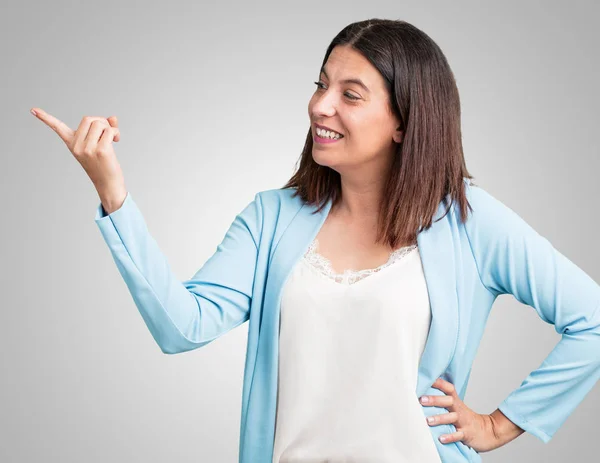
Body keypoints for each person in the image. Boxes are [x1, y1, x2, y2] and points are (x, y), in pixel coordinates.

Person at [31, 18, 600, 463]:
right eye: (322, 85)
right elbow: (183, 326)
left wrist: (499, 425)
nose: (320, 106)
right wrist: (113, 193)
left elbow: (591, 320)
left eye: (351, 95)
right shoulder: (272, 218)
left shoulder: (469, 223)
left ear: (405, 120)